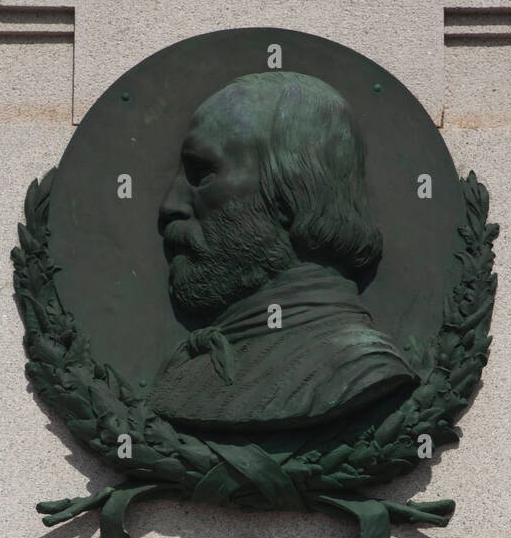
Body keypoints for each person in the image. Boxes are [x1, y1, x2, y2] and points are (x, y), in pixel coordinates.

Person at [152, 71, 418, 431]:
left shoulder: (356, 371)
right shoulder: (196, 368)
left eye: (203, 174)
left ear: (293, 194)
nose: (171, 206)